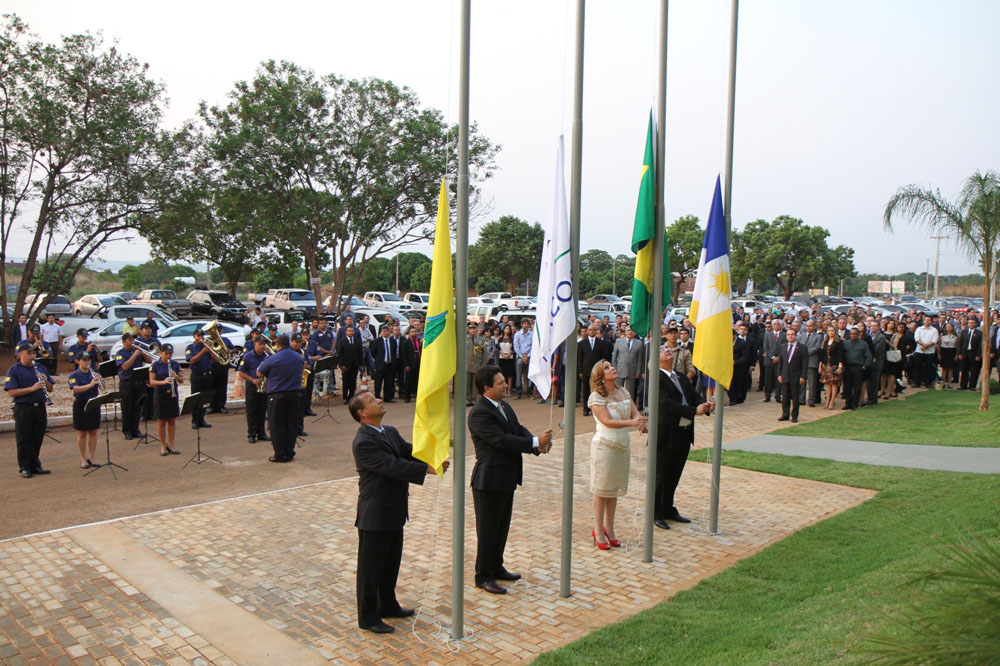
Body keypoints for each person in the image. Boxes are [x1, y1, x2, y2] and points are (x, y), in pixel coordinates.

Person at [349, 391, 449, 633]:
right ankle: (369, 617)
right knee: (371, 570)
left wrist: (433, 451)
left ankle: (389, 605)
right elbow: (391, 466)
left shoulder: (389, 431)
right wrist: (427, 470)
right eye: (373, 401)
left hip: (394, 510)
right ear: (362, 413)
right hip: (376, 513)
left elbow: (407, 451)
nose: (379, 401)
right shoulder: (363, 442)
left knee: (390, 563)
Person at [468, 364, 553, 595]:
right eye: (500, 383)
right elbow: (501, 440)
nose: (506, 385)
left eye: (504, 381)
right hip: (489, 480)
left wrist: (537, 445)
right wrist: (535, 441)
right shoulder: (479, 413)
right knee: (487, 530)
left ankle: (496, 566)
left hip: (506, 477)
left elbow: (517, 429)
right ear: (487, 388)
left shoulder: (503, 406)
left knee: (501, 527)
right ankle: (482, 575)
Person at [587, 360, 646, 549]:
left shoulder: (624, 391)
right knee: (601, 490)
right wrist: (632, 424)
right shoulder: (596, 396)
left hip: (622, 446)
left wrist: (641, 423)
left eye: (611, 365)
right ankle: (598, 530)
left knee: (613, 490)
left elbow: (634, 413)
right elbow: (606, 421)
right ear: (599, 375)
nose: (612, 368)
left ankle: (610, 528)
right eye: (606, 367)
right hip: (605, 446)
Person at [654, 345, 713, 529]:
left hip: (684, 433)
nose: (667, 350)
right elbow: (666, 404)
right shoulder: (656, 377)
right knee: (661, 474)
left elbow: (693, 395)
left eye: (668, 348)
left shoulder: (680, 376)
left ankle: (668, 508)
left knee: (674, 473)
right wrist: (694, 411)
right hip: (666, 433)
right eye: (662, 348)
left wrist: (704, 404)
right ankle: (656, 512)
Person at [5, 341, 54, 478]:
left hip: (39, 407)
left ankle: (35, 464)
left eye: (34, 353)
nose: (33, 356)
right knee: (24, 438)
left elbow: (50, 389)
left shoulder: (40, 367)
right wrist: (31, 389)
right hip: (23, 408)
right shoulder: (14, 370)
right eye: (29, 353)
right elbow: (11, 392)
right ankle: (25, 466)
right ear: (21, 354)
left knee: (37, 436)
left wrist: (46, 381)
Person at [256, 334, 305, 463]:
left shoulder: (274, 358)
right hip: (295, 394)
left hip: (278, 395)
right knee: (291, 424)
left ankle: (279, 454)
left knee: (277, 425)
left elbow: (259, 373)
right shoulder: (298, 357)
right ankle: (290, 452)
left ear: (278, 345)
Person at [69, 353, 102, 469]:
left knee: (93, 431)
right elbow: (76, 389)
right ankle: (83, 458)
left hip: (94, 402)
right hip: (81, 404)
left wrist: (100, 381)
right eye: (84, 360)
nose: (87, 362)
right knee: (82, 432)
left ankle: (91, 457)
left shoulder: (93, 373)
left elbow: (102, 386)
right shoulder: (74, 375)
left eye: (88, 360)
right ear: (78, 361)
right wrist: (90, 384)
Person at [148, 344, 183, 456]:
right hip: (160, 394)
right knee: (161, 421)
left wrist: (175, 376)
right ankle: (163, 446)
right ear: (161, 353)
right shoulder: (155, 365)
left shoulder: (175, 364)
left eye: (170, 353)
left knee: (172, 420)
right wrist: (163, 382)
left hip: (172, 394)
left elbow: (181, 380)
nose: (168, 355)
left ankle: (171, 445)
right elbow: (152, 382)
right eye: (166, 353)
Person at [237, 336, 270, 443]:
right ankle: (251, 434)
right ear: (255, 344)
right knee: (251, 411)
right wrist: (253, 380)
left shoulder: (267, 356)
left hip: (264, 386)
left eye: (263, 344)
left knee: (262, 410)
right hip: (252, 386)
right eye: (260, 344)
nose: (262, 346)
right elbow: (241, 372)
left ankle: (261, 433)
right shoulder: (248, 357)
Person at [115, 333, 146, 440]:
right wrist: (135, 355)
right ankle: (127, 431)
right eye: (129, 340)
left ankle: (135, 430)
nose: (132, 342)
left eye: (133, 340)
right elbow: (125, 366)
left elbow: (149, 360)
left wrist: (142, 352)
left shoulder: (135, 351)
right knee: (127, 408)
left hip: (138, 383)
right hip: (126, 384)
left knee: (137, 407)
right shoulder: (120, 353)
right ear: (124, 342)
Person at [777, 328, 809, 423]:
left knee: (795, 397)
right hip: (785, 375)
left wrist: (803, 376)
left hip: (796, 376)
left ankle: (794, 416)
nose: (790, 336)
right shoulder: (783, 346)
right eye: (788, 334)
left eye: (792, 334)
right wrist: (779, 374)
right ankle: (785, 414)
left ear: (796, 336)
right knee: (785, 397)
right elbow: (780, 362)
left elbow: (805, 363)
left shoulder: (802, 348)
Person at [185, 329, 214, 429]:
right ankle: (195, 420)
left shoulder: (206, 346)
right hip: (197, 376)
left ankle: (202, 419)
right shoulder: (190, 348)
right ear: (194, 336)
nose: (200, 338)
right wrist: (203, 351)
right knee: (196, 398)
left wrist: (211, 350)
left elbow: (215, 359)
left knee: (204, 399)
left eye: (202, 336)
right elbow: (192, 360)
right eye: (198, 336)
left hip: (207, 376)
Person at [840, 326, 872, 410]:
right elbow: (841, 355)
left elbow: (869, 356)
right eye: (851, 334)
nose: (853, 335)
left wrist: (864, 366)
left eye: (855, 334)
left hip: (858, 367)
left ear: (858, 334)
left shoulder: (863, 344)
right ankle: (848, 403)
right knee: (847, 386)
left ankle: (855, 403)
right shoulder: (846, 343)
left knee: (857, 387)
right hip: (847, 367)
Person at [578, 323, 606, 416]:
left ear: (596, 331)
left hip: (597, 371)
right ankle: (586, 409)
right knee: (586, 391)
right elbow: (579, 358)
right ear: (587, 331)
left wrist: (603, 370)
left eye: (594, 330)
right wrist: (580, 371)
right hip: (586, 371)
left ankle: (596, 410)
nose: (592, 331)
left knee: (597, 391)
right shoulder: (582, 343)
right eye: (590, 330)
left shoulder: (601, 343)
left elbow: (603, 358)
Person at [612, 326, 643, 403]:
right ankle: (618, 405)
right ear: (625, 332)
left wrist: (638, 371)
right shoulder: (618, 341)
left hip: (632, 370)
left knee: (630, 392)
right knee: (618, 390)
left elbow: (639, 359)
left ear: (635, 332)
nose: (630, 332)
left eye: (632, 330)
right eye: (628, 330)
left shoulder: (639, 343)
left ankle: (629, 407)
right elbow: (614, 357)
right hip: (620, 369)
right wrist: (614, 369)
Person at [336, 324, 363, 404]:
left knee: (353, 381)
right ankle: (345, 397)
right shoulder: (342, 341)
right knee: (346, 381)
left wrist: (361, 363)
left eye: (352, 331)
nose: (351, 332)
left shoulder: (357, 341)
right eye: (349, 331)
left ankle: (351, 396)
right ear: (346, 332)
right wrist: (341, 365)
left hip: (355, 364)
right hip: (346, 365)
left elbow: (360, 353)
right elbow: (339, 354)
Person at [800, 319, 823, 407]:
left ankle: (811, 399)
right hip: (802, 362)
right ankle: (801, 399)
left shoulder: (818, 336)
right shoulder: (801, 336)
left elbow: (817, 348)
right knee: (802, 381)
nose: (808, 327)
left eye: (810, 326)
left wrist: (805, 353)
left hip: (812, 361)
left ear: (814, 326)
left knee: (812, 383)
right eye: (807, 326)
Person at [371, 325, 397, 402]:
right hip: (380, 365)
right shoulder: (377, 341)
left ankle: (387, 397)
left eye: (386, 331)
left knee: (388, 382)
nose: (384, 332)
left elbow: (394, 352)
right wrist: (378, 359)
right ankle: (377, 396)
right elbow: (373, 352)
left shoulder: (392, 341)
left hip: (389, 364)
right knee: (378, 382)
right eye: (383, 331)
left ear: (389, 332)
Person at [864, 321, 887, 406]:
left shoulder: (881, 337)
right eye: (871, 326)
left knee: (874, 382)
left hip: (876, 363)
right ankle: (870, 398)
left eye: (875, 326)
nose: (872, 327)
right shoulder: (869, 336)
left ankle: (873, 399)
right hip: (869, 362)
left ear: (878, 327)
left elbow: (876, 350)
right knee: (869, 382)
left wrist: (867, 354)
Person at [913, 316, 939, 388]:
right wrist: (923, 345)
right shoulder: (919, 329)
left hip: (930, 352)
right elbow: (917, 339)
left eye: (929, 320)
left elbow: (934, 340)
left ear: (931, 321)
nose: (927, 321)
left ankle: (928, 382)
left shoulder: (934, 330)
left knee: (928, 368)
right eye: (926, 320)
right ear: (923, 321)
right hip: (919, 351)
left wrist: (926, 346)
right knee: (918, 367)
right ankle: (917, 382)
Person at [957, 317, 983, 391]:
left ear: (975, 324)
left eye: (972, 323)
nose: (971, 324)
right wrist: (959, 353)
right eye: (969, 323)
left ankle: (972, 386)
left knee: (974, 371)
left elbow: (980, 345)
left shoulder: (979, 333)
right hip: (965, 353)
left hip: (974, 354)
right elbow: (960, 344)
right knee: (964, 370)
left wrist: (978, 355)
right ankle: (963, 386)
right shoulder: (964, 332)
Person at [761, 319, 784, 403]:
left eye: (778, 324)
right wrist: (772, 357)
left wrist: (778, 357)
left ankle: (778, 396)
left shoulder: (784, 335)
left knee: (778, 379)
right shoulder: (767, 335)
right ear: (772, 325)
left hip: (779, 361)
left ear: (781, 325)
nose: (776, 325)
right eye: (775, 324)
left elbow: (784, 348)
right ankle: (767, 396)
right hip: (769, 360)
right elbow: (766, 348)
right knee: (768, 379)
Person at [466, 323, 487, 406]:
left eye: (474, 328)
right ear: (468, 329)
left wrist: (483, 365)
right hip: (467, 364)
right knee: (467, 383)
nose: (473, 330)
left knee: (475, 383)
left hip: (477, 364)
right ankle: (467, 399)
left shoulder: (481, 340)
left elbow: (484, 353)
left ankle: (474, 399)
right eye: (471, 328)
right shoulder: (464, 339)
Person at [512, 318, 533, 399]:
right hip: (520, 356)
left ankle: (529, 392)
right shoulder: (517, 334)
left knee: (530, 374)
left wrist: (528, 356)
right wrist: (522, 356)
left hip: (529, 356)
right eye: (524, 323)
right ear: (521, 325)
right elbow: (516, 347)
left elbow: (533, 346)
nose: (526, 325)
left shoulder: (532, 334)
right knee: (518, 374)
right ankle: (518, 392)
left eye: (527, 323)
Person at [881, 320, 903, 398]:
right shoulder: (882, 333)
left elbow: (894, 346)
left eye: (892, 324)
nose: (891, 325)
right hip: (883, 354)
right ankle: (882, 390)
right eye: (889, 323)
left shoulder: (895, 334)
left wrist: (886, 341)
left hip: (891, 355)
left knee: (891, 373)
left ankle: (889, 391)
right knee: (883, 373)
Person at [400, 326, 421, 402]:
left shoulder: (419, 341)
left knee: (417, 380)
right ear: (409, 333)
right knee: (408, 381)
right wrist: (406, 365)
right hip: (410, 365)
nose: (414, 333)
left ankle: (416, 394)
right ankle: (407, 397)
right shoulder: (406, 342)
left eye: (415, 331)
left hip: (418, 364)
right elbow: (404, 355)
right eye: (412, 331)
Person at [497, 327, 516, 396]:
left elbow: (512, 348)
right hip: (502, 358)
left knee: (510, 375)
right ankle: (503, 389)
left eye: (508, 329)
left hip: (510, 358)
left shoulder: (512, 339)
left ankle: (509, 390)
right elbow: (499, 348)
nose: (507, 330)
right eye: (506, 328)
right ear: (503, 330)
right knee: (503, 374)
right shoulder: (500, 339)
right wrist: (503, 355)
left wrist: (508, 355)